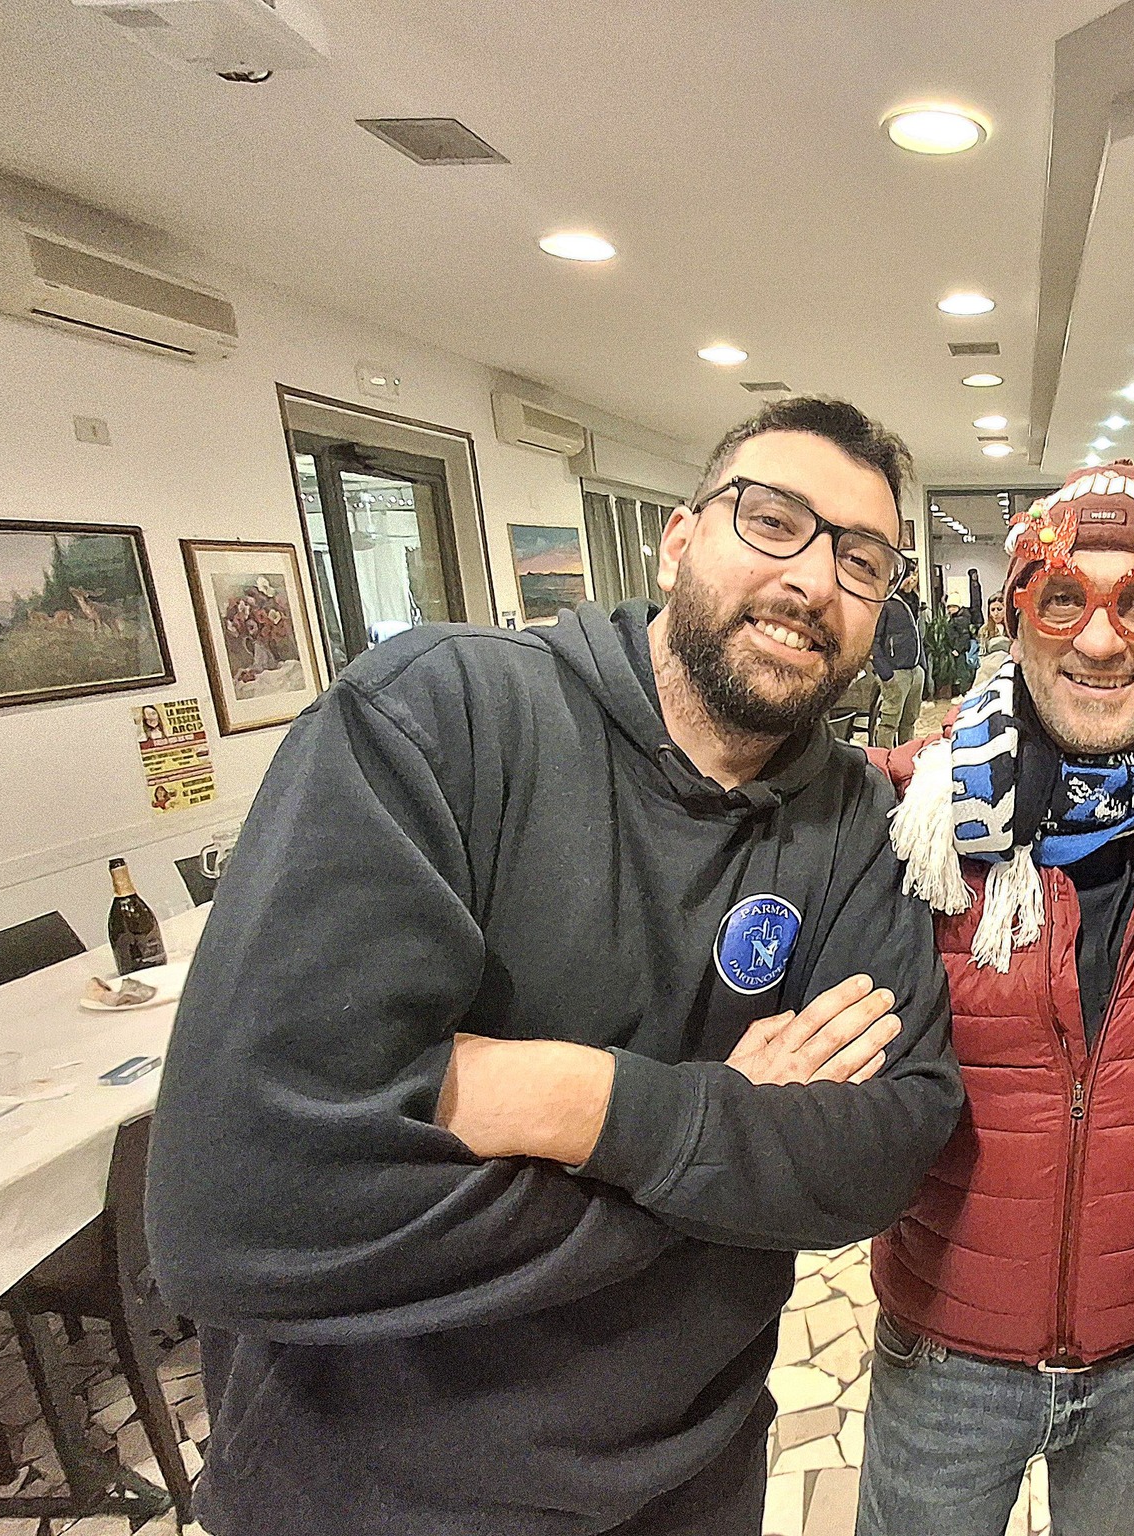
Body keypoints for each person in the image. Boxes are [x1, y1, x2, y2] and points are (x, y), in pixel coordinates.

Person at [147, 396, 965, 1536]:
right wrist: (713, 1148)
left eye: (862, 562)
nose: (813, 580)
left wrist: (570, 1100)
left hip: (695, 1479)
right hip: (371, 1495)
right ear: (678, 540)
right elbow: (245, 1211)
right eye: (774, 522)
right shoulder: (439, 717)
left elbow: (880, 1154)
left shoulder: (854, 823)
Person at [859, 462, 1134, 1536]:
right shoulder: (911, 813)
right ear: (1017, 622)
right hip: (948, 1350)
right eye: (1062, 598)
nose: (1098, 640)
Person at [871, 562, 925, 747]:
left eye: (915, 575)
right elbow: (873, 641)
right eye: (910, 575)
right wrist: (886, 674)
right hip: (895, 673)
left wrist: (922, 668)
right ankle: (884, 758)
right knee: (889, 722)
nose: (913, 579)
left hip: (914, 670)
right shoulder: (885, 604)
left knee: (909, 720)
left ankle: (904, 756)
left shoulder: (911, 601)